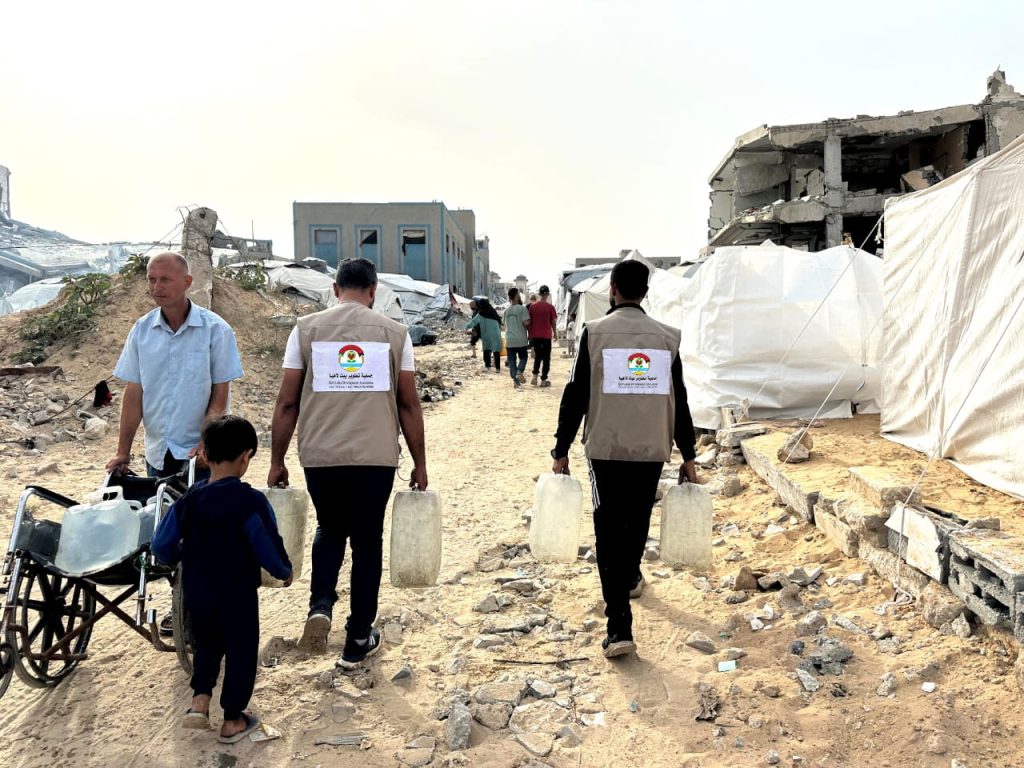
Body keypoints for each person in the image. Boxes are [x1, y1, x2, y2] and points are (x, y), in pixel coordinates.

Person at [268, 257, 428, 669]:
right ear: (373, 292)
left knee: (329, 527)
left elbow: (287, 402)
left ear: (335, 289)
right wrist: (419, 462)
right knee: (367, 539)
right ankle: (358, 636)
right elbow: (408, 404)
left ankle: (320, 604)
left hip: (321, 455)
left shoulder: (306, 329)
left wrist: (277, 460)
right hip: (375, 458)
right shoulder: (396, 333)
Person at [550, 260, 697, 659]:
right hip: (651, 449)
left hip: (606, 450)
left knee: (608, 531)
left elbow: (577, 394)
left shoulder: (594, 333)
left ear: (612, 288)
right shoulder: (667, 338)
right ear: (645, 292)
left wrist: (561, 449)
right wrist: (688, 454)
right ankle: (631, 575)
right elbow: (680, 399)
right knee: (637, 521)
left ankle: (619, 627)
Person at [151, 415, 293, 744]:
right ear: (246, 457)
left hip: (198, 592)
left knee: (207, 645)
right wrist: (283, 572)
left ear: (204, 455)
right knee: (241, 651)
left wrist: (174, 558)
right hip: (237, 593)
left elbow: (161, 545)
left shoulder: (188, 501)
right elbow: (266, 544)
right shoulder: (251, 501)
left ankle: (199, 703)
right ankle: (232, 720)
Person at [106, 252, 243, 482]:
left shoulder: (216, 330)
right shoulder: (141, 330)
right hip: (157, 453)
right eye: (152, 279)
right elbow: (134, 394)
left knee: (200, 516)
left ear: (187, 282)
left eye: (165, 279)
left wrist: (206, 442)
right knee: (159, 511)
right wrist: (123, 451)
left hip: (199, 455)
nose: (157, 287)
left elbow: (220, 393)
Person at [528, 284, 558, 387]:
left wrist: (530, 333)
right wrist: (555, 333)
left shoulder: (533, 307)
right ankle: (544, 380)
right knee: (546, 358)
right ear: (548, 294)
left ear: (540, 294)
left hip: (536, 335)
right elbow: (553, 322)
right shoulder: (550, 307)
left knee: (538, 356)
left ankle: (535, 376)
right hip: (546, 336)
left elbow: (530, 321)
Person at [466, 298, 503, 373]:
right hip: (496, 334)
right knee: (496, 351)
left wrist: (467, 327)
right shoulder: (493, 312)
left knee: (487, 350)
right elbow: (500, 323)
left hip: (487, 334)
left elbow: (473, 322)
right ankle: (498, 369)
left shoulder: (481, 313)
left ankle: (488, 366)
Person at [504, 287, 531, 388]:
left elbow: (504, 325)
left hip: (509, 340)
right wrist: (530, 323)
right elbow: (526, 322)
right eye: (518, 294)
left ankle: (515, 381)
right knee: (523, 357)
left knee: (511, 361)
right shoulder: (522, 309)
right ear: (516, 296)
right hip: (520, 339)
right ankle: (519, 371)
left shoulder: (506, 311)